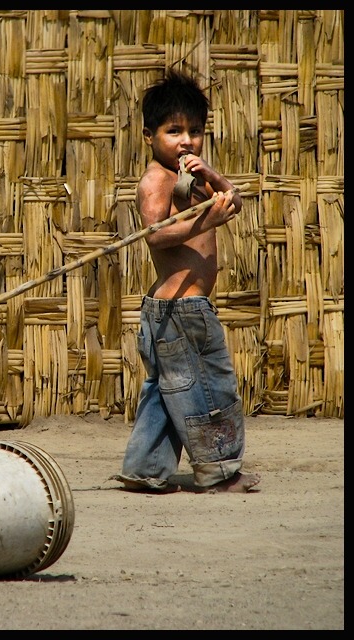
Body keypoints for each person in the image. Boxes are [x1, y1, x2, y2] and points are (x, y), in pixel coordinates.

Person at [113, 68, 261, 493]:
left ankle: (144, 469)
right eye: (174, 130)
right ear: (148, 135)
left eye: (194, 131)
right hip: (182, 308)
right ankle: (218, 471)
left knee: (168, 391)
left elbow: (233, 198)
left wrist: (212, 176)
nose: (186, 140)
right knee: (207, 388)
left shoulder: (192, 177)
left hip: (178, 310)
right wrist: (205, 221)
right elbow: (155, 235)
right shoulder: (156, 179)